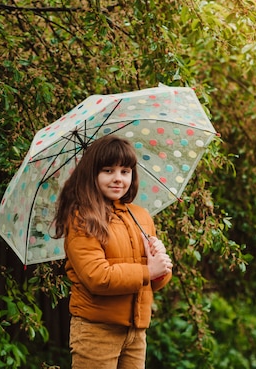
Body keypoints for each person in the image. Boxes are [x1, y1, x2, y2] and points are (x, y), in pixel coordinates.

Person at [54, 134, 173, 369]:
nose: (118, 179)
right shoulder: (83, 219)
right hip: (97, 331)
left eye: (125, 171)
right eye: (108, 171)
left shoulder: (140, 216)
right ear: (92, 174)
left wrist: (160, 266)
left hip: (136, 331)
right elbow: (98, 277)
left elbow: (154, 282)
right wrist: (147, 271)